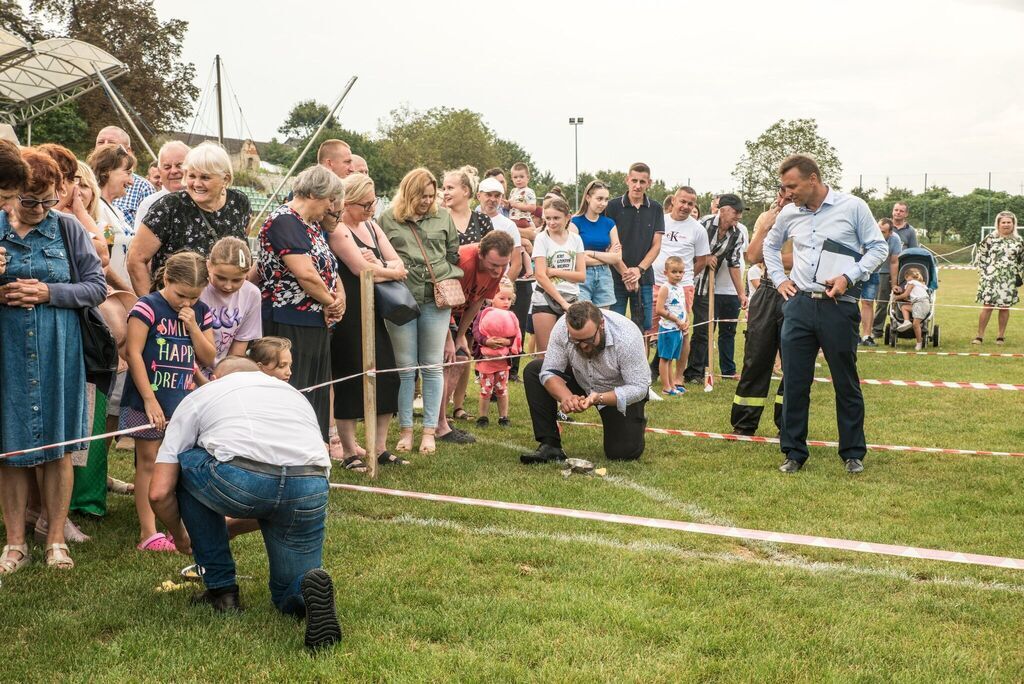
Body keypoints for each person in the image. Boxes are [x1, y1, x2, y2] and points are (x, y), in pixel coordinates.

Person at [148, 357, 342, 651]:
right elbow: (283, 491)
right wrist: (234, 527)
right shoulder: (294, 395)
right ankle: (304, 591)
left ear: (216, 377)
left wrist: (180, 535)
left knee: (184, 463)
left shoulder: (202, 395)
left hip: (241, 481)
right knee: (285, 592)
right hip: (310, 485)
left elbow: (159, 492)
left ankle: (221, 589)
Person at [0, 148, 106, 573]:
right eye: (30, 201)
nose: (39, 210)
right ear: (13, 194)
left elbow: (97, 287)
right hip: (7, 349)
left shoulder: (67, 230)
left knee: (58, 446)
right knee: (10, 447)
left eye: (48, 201)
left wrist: (50, 293)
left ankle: (55, 538)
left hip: (59, 349)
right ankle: (14, 544)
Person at [764, 154, 887, 474]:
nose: (787, 192)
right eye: (784, 186)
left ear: (813, 179)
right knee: (794, 382)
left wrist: (850, 276)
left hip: (839, 306)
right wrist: (780, 281)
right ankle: (793, 452)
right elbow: (769, 246)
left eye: (792, 186)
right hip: (800, 305)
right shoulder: (789, 213)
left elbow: (878, 248)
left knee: (845, 381)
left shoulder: (853, 206)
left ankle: (852, 453)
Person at [122, 251, 215, 551]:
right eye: (181, 295)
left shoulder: (200, 312)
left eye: (194, 297)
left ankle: (177, 526)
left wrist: (193, 325)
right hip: (147, 400)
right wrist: (150, 400)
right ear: (166, 279)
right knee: (148, 462)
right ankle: (148, 533)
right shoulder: (146, 307)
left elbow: (209, 356)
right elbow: (132, 353)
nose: (186, 303)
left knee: (180, 463)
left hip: (184, 402)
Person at [257, 165, 345, 442]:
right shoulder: (285, 221)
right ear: (312, 193)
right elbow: (305, 274)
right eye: (329, 199)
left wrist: (338, 299)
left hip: (315, 320)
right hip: (289, 320)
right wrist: (331, 302)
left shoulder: (311, 226)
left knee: (315, 391)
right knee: (295, 388)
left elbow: (329, 268)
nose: (332, 207)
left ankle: (314, 451)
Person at [379, 168, 462, 455]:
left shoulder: (443, 217)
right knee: (405, 369)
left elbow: (453, 252)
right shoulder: (387, 218)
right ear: (408, 193)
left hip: (434, 298)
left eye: (431, 196)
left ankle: (429, 431)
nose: (427, 201)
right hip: (400, 298)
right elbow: (380, 255)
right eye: (421, 196)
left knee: (432, 366)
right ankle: (405, 431)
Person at [327, 173, 407, 470]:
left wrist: (382, 266)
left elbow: (399, 264)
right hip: (348, 312)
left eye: (373, 203)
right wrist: (385, 268)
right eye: (365, 204)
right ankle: (349, 451)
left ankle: (379, 447)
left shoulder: (372, 227)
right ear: (347, 202)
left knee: (388, 375)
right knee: (349, 377)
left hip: (375, 309)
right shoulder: (337, 230)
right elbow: (360, 269)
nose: (371, 209)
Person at [520, 302, 651, 463]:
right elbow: (549, 370)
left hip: (617, 390)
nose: (583, 346)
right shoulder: (562, 327)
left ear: (601, 324)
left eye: (588, 339)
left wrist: (599, 398)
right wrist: (566, 397)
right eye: (575, 340)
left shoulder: (627, 336)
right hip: (580, 377)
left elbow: (639, 387)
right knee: (534, 370)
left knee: (622, 453)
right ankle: (550, 445)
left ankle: (636, 419)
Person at [128, 142, 252, 296]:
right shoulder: (169, 207)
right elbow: (135, 259)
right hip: (176, 308)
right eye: (192, 176)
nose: (197, 184)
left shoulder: (239, 202)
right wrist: (151, 307)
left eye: (205, 177)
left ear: (225, 179)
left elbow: (242, 245)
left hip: (224, 309)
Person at [437, 230, 513, 440]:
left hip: (458, 313)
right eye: (494, 265)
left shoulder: (500, 264)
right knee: (448, 359)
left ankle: (440, 419)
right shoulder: (464, 262)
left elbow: (479, 300)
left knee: (460, 357)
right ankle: (438, 422)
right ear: (481, 254)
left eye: (503, 265)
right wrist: (447, 339)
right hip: (438, 308)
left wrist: (460, 335)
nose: (498, 271)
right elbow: (443, 301)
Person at [731, 191, 791, 436]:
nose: (782, 200)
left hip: (795, 290)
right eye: (781, 195)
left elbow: (797, 261)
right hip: (766, 291)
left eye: (789, 195)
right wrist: (763, 228)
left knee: (794, 364)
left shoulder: (810, 218)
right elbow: (752, 257)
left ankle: (787, 426)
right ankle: (744, 424)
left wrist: (773, 257)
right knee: (755, 359)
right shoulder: (767, 218)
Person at [683, 193, 748, 383]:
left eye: (740, 212)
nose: (739, 216)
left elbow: (734, 263)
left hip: (705, 288)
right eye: (736, 212)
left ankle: (694, 373)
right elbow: (686, 248)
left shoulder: (736, 234)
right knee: (676, 326)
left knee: (703, 329)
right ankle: (657, 368)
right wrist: (705, 257)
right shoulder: (703, 224)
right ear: (723, 210)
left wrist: (741, 293)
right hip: (686, 281)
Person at [652, 186, 710, 385]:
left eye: (690, 204)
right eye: (682, 201)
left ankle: (678, 377)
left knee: (682, 330)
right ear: (674, 201)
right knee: (651, 329)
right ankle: (648, 374)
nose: (685, 206)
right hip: (656, 284)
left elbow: (702, 260)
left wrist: (682, 279)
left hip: (682, 288)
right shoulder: (660, 220)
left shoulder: (697, 229)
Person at [604, 162, 664, 331]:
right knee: (614, 326)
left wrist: (638, 270)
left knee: (643, 328)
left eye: (642, 182)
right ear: (627, 180)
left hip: (644, 277)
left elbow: (656, 245)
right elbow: (609, 244)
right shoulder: (612, 206)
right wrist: (626, 273)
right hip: (616, 276)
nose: (638, 186)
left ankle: (641, 359)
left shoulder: (656, 208)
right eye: (634, 180)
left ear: (649, 183)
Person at [531, 197, 587, 352]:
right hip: (545, 298)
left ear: (567, 217)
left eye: (556, 218)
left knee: (572, 352)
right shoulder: (542, 238)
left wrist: (553, 271)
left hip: (571, 296)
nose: (551, 222)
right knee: (546, 353)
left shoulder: (576, 239)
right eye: (548, 218)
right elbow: (541, 275)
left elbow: (581, 275)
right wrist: (562, 302)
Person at [200, 237, 262, 366]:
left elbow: (240, 344)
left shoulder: (252, 294)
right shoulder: (199, 288)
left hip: (222, 368)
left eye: (236, 280)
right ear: (209, 265)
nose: (228, 286)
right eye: (221, 278)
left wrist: (225, 373)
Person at [88, 143, 137, 291]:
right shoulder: (98, 210)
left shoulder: (115, 211)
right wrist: (128, 291)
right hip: (113, 294)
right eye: (127, 173)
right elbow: (103, 259)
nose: (131, 181)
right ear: (107, 172)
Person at [473, 279, 521, 427]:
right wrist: (487, 341)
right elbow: (476, 331)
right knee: (485, 390)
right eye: (502, 298)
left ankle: (503, 417)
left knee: (502, 389)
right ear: (491, 298)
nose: (506, 302)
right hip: (486, 361)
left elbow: (516, 334)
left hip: (502, 362)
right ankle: (483, 417)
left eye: (509, 299)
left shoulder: (512, 316)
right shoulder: (482, 314)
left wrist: (508, 342)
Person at [973, 210, 1023, 345]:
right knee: (987, 307)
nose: (1006, 225)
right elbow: (981, 256)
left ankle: (1000, 336)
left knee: (1004, 308)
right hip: (990, 279)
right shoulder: (990, 238)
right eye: (1003, 222)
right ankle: (979, 336)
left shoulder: (1019, 241)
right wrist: (984, 274)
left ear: (1013, 224)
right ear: (998, 224)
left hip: (1008, 280)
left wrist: (1020, 276)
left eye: (1009, 222)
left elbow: (1021, 261)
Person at [571, 180, 622, 309]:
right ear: (588, 197)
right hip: (582, 276)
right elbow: (576, 259)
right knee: (584, 317)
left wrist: (590, 253)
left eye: (606, 199)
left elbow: (617, 258)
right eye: (599, 199)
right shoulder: (575, 222)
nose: (603, 203)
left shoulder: (609, 223)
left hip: (604, 277)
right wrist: (606, 257)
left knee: (603, 319)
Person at [94, 126, 155, 226]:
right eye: (100, 142)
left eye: (111, 143)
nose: (104, 146)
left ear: (128, 151)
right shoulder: (82, 181)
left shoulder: (143, 188)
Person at [133, 141, 190, 232]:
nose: (174, 171)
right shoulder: (148, 205)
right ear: (159, 171)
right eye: (167, 167)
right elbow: (137, 244)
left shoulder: (203, 200)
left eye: (180, 165)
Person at [862, 218, 901, 345]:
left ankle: (867, 336)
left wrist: (894, 284)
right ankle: (853, 335)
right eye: (878, 230)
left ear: (890, 233)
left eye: (883, 232)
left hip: (873, 273)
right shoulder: (866, 235)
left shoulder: (895, 239)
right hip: (855, 271)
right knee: (851, 304)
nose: (879, 233)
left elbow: (894, 262)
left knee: (868, 303)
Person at [477, 177, 524, 280]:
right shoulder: (469, 220)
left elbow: (516, 264)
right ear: (479, 196)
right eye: (488, 195)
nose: (493, 199)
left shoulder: (509, 225)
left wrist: (503, 288)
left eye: (497, 196)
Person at [655, 256, 690, 396]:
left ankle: (672, 385)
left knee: (671, 359)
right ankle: (666, 387)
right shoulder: (665, 288)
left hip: (678, 329)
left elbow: (682, 308)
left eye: (680, 272)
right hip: (668, 329)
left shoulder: (680, 288)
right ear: (666, 273)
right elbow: (659, 310)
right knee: (665, 358)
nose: (678, 275)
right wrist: (676, 320)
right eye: (674, 272)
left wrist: (685, 321)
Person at [444, 166, 492, 245]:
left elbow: (492, 253)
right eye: (444, 189)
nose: (445, 193)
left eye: (450, 188)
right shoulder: (440, 221)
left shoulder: (482, 220)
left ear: (465, 190)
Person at [893, 266, 929, 349]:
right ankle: (906, 321)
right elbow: (909, 297)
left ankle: (919, 343)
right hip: (922, 304)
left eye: (906, 278)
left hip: (920, 304)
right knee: (904, 307)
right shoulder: (920, 284)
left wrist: (896, 298)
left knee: (916, 324)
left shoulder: (911, 283)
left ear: (907, 276)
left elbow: (905, 295)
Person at [507, 162, 537, 229]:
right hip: (512, 219)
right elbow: (510, 207)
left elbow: (533, 208)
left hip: (522, 220)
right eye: (515, 177)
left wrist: (517, 205)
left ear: (528, 177)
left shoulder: (529, 191)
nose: (518, 179)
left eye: (521, 177)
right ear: (512, 179)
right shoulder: (513, 191)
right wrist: (506, 204)